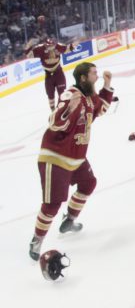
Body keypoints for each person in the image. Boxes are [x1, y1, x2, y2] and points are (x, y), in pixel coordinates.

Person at [28, 62, 114, 261]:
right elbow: (54, 122)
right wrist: (68, 111)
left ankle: (70, 219)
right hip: (56, 156)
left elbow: (101, 109)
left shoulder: (89, 97)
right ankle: (37, 239)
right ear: (83, 77)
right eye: (94, 74)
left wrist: (108, 85)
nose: (97, 76)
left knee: (88, 183)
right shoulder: (71, 95)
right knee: (52, 204)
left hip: (76, 157)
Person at [25, 37, 76, 111]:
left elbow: (67, 49)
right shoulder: (40, 49)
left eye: (52, 46)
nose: (51, 47)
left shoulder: (58, 46)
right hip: (48, 75)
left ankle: (63, 109)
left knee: (62, 94)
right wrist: (29, 45)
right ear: (45, 45)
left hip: (59, 74)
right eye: (49, 46)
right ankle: (53, 111)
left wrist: (75, 44)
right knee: (50, 95)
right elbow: (29, 55)